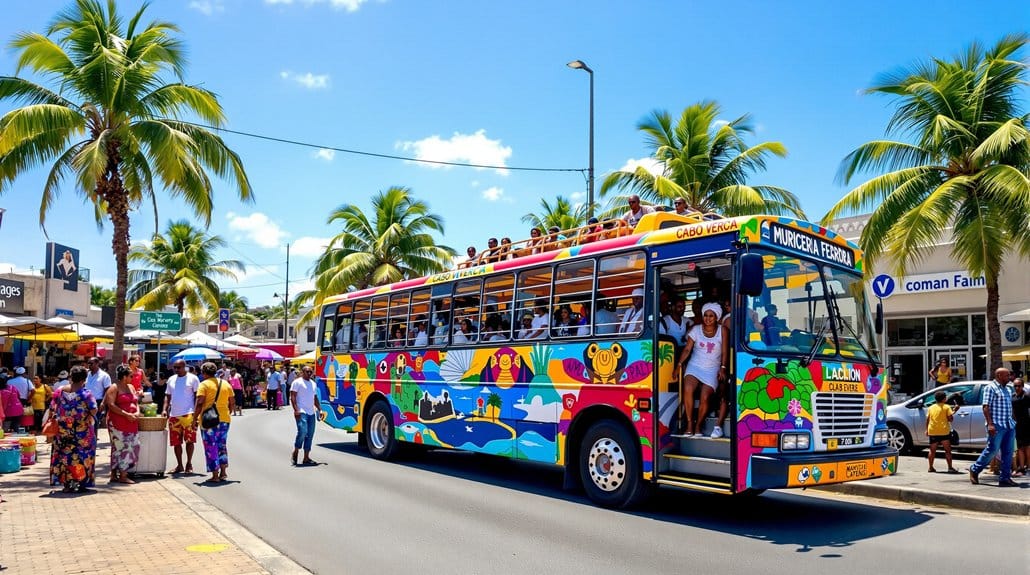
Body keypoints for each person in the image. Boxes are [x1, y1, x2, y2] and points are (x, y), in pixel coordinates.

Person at [676, 303, 729, 438]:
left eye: (711, 316)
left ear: (717, 317)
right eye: (705, 315)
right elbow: (687, 349)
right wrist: (679, 365)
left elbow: (724, 352)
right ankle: (689, 424)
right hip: (695, 366)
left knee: (705, 396)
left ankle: (698, 425)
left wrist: (723, 368)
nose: (708, 318)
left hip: (712, 369)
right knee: (688, 388)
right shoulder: (696, 329)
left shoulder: (722, 330)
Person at [49, 366, 98, 493]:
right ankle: (80, 483)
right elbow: (94, 408)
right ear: (84, 380)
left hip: (63, 432)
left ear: (71, 377)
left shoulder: (59, 392)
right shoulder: (86, 393)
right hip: (82, 433)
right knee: (83, 456)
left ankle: (66, 484)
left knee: (64, 456)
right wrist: (87, 416)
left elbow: (52, 408)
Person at [968, 367, 1019, 487]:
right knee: (992, 450)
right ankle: (975, 469)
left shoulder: (1007, 389)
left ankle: (1005, 478)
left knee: (1008, 452)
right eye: (1007, 375)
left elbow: (1008, 407)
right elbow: (985, 407)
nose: (1009, 377)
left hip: (1008, 424)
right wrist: (990, 424)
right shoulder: (990, 388)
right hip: (996, 424)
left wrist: (1013, 420)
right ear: (999, 376)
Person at [193, 362, 234, 483]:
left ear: (203, 373)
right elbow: (232, 402)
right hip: (224, 419)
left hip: (209, 420)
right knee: (222, 445)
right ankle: (223, 472)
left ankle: (215, 475)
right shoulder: (225, 383)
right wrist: (227, 413)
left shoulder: (204, 385)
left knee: (211, 446)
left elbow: (199, 403)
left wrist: (195, 418)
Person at [104, 364, 140, 484]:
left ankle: (115, 473)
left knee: (133, 445)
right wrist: (126, 414)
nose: (133, 377)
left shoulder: (131, 387)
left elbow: (136, 401)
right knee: (121, 447)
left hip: (131, 422)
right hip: (117, 422)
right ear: (124, 377)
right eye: (131, 375)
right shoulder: (114, 388)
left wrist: (137, 412)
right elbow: (111, 405)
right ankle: (122, 475)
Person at [164, 359, 199, 474]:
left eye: (178, 367)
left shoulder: (193, 379)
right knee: (176, 442)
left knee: (189, 441)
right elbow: (167, 396)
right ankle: (179, 465)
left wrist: (195, 414)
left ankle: (189, 463)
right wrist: (164, 409)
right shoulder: (171, 379)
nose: (176, 370)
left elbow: (197, 397)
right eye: (175, 367)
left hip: (188, 414)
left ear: (184, 367)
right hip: (174, 414)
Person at [291, 365, 323, 466]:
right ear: (302, 372)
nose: (309, 374)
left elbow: (315, 398)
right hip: (301, 411)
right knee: (303, 431)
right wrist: (296, 410)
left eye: (310, 372)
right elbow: (293, 397)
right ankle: (296, 450)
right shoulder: (297, 382)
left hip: (311, 412)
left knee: (310, 434)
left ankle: (306, 457)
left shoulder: (313, 383)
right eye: (307, 372)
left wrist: (320, 409)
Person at [926, 390, 959, 473]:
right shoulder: (947, 407)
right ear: (944, 399)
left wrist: (927, 429)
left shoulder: (931, 407)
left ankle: (930, 467)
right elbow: (950, 419)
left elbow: (928, 419)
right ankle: (950, 467)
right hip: (944, 431)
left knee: (932, 450)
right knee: (947, 450)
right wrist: (955, 410)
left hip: (933, 430)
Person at [85, 357, 112, 430]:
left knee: (94, 422)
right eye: (88, 363)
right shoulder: (86, 374)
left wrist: (103, 403)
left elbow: (108, 390)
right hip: (86, 401)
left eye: (91, 363)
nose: (89, 365)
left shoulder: (104, 376)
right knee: (86, 422)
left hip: (97, 401)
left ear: (97, 364)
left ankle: (94, 439)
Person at [1012, 378, 1029, 476]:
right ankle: (1021, 468)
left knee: (1027, 447)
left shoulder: (1026, 397)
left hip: (1026, 425)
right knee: (1020, 448)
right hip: (1016, 425)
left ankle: (1026, 467)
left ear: (1023, 386)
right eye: (1015, 386)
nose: (1017, 388)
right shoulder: (1013, 397)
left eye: (1019, 386)